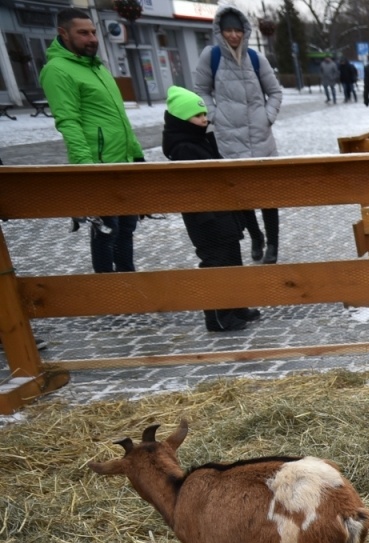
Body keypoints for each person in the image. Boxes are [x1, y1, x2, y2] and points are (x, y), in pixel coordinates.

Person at [39, 7, 144, 273]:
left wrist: (136, 153)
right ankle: (106, 285)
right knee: (107, 230)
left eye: (93, 32)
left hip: (122, 162)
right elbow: (68, 122)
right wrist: (86, 167)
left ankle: (127, 278)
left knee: (127, 226)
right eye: (83, 33)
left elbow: (119, 118)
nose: (92, 38)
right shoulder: (58, 70)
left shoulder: (96, 66)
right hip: (99, 164)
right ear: (63, 33)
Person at [161, 86, 260, 332]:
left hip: (222, 213)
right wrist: (209, 217)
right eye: (198, 116)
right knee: (216, 263)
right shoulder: (184, 148)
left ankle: (236, 306)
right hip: (206, 219)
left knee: (232, 259)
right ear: (182, 120)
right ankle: (218, 316)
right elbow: (193, 189)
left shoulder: (199, 141)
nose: (204, 119)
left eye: (205, 114)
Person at [194, 4, 285, 264]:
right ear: (220, 32)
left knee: (267, 195)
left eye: (237, 30)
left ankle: (273, 244)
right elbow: (201, 90)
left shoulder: (256, 58)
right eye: (228, 31)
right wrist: (215, 116)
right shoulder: (211, 57)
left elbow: (275, 92)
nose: (233, 35)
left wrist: (267, 117)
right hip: (230, 138)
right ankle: (256, 236)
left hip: (260, 136)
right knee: (242, 195)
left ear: (244, 31)